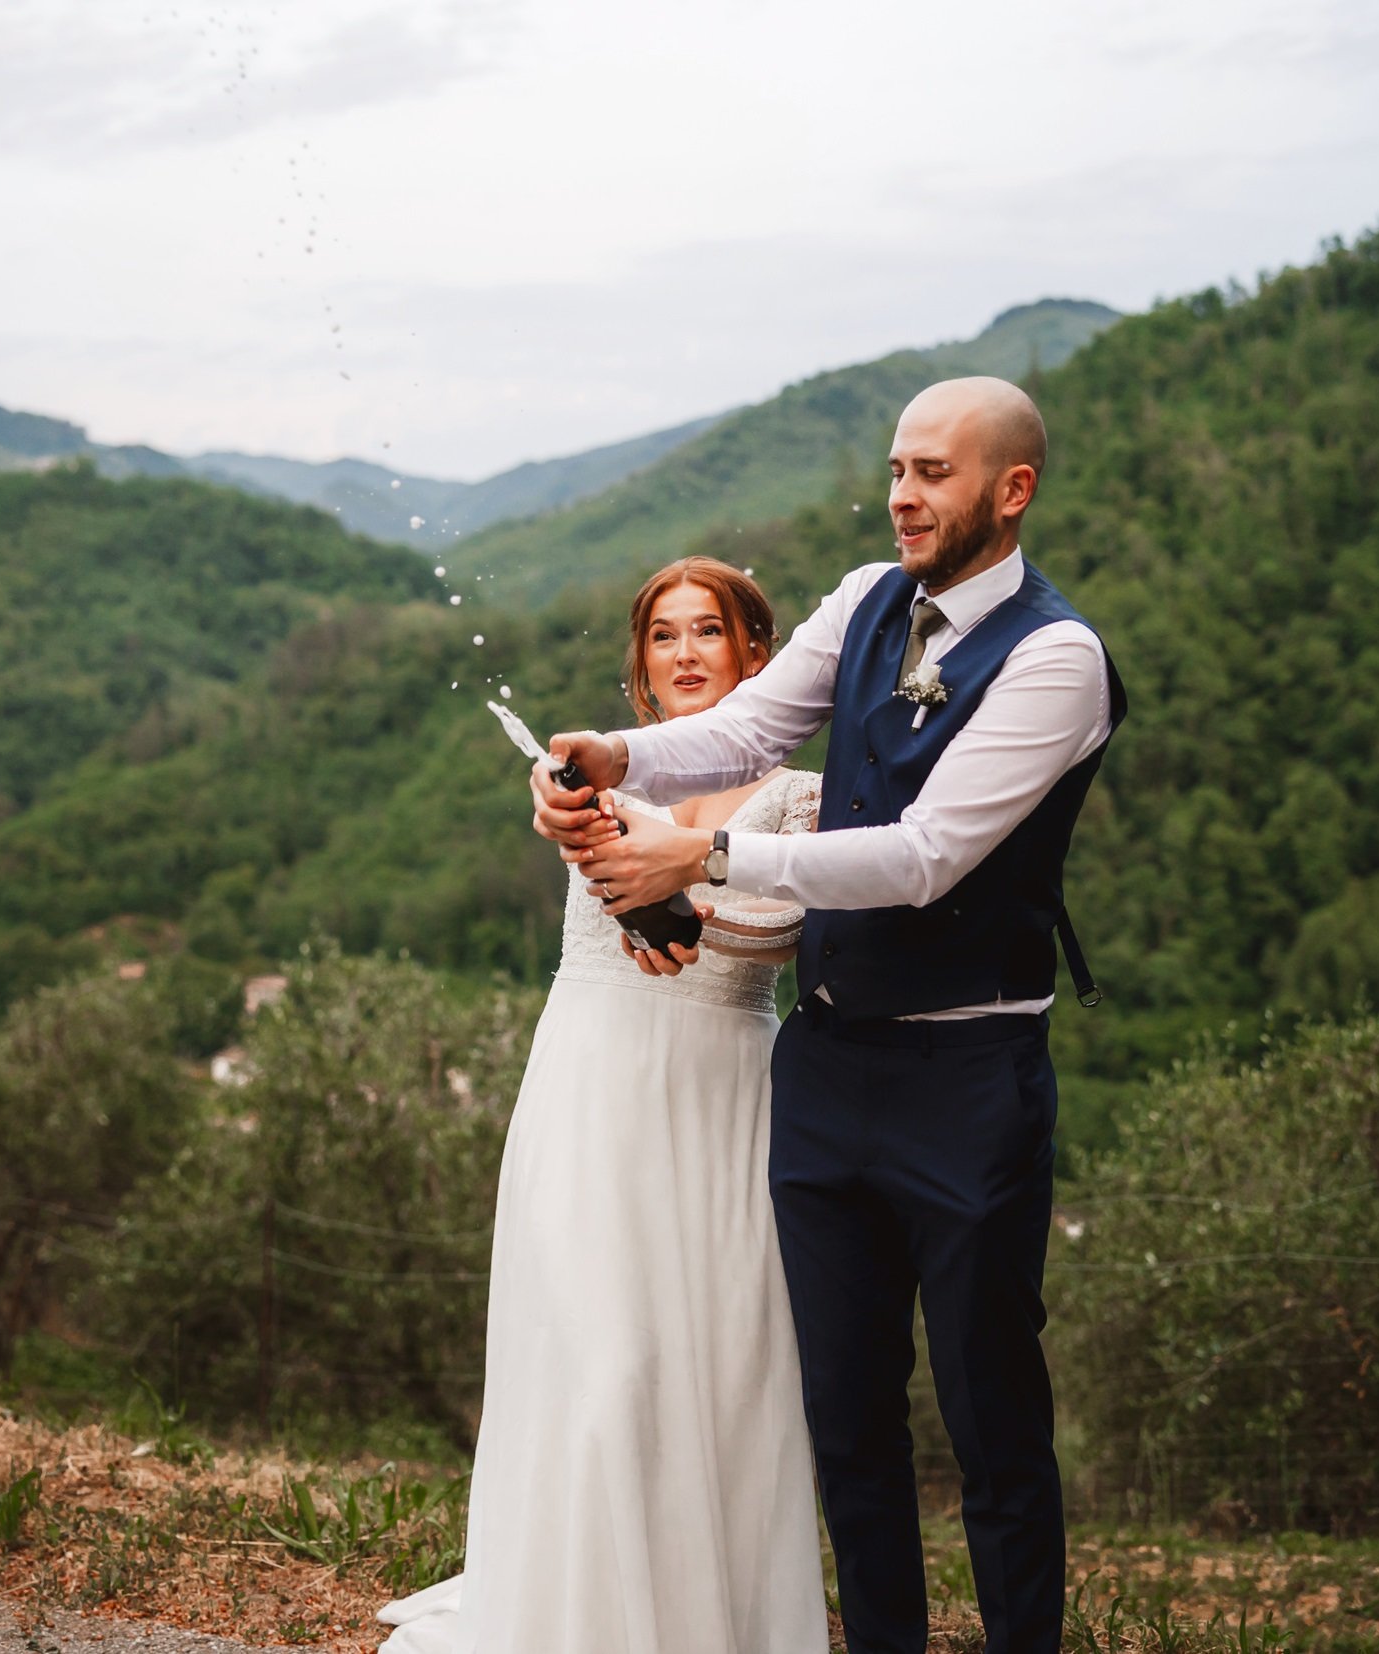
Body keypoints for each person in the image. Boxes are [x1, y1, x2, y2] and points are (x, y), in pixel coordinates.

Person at [537, 377, 1126, 1654]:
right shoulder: (865, 596)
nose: (902, 495)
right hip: (823, 1072)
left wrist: (703, 863)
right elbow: (748, 723)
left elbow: (922, 857)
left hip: (968, 1076)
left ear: (1009, 491)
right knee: (846, 1424)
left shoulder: (1056, 658)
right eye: (896, 470)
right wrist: (609, 756)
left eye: (932, 474)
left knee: (989, 1421)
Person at [376, 557, 830, 1654]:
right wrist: (586, 830)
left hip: (719, 1100)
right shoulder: (591, 788)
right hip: (587, 1094)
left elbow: (780, 927)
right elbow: (575, 846)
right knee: (602, 1357)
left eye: (707, 632)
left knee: (715, 1369)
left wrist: (676, 900)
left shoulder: (797, 796)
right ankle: (579, 1616)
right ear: (639, 666)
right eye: (663, 635)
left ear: (754, 656)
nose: (683, 653)